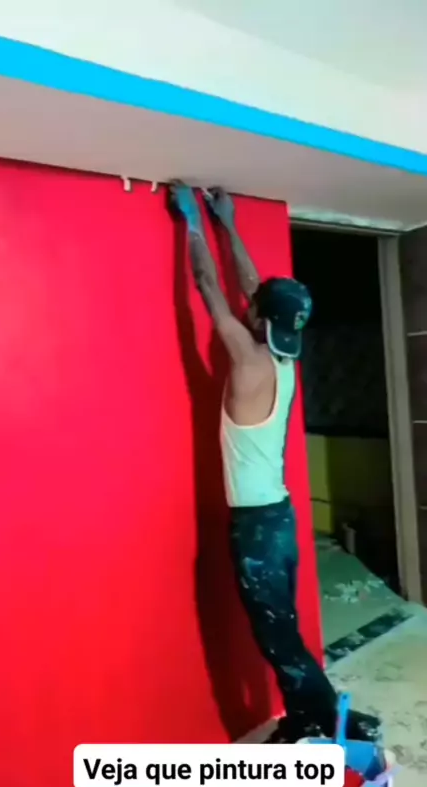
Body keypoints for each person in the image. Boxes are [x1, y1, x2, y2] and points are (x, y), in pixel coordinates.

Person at [169, 181, 379, 743]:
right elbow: (251, 288)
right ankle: (319, 717)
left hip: (258, 529)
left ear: (259, 321)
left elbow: (208, 286)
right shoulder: (282, 359)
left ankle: (328, 724)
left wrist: (191, 223)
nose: (250, 302)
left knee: (278, 639)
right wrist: (229, 223)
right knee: (283, 632)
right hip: (281, 519)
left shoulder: (246, 360)